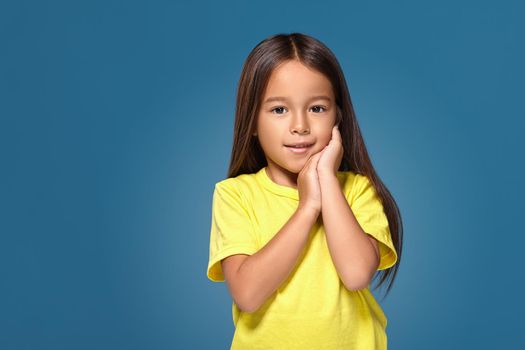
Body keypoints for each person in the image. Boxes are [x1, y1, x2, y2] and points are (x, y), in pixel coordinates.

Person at [206, 32, 404, 350]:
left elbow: (355, 274)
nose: (300, 125)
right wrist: (308, 207)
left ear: (338, 117)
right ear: (252, 121)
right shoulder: (235, 195)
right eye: (279, 110)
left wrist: (325, 177)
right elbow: (248, 294)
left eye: (317, 108)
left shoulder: (357, 190)